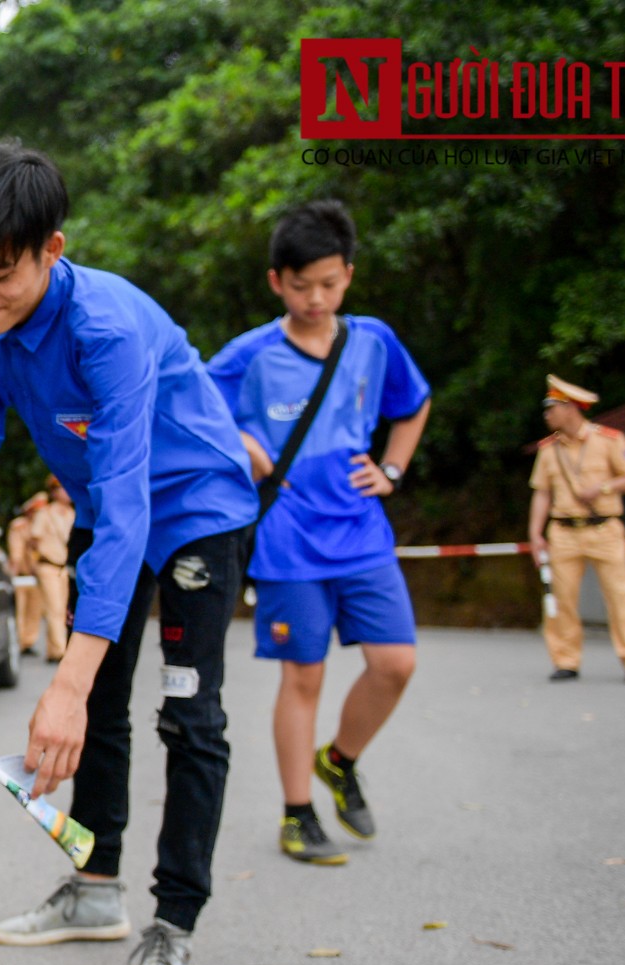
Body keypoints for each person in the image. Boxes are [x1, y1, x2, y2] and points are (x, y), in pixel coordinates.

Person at [0, 143, 259, 965]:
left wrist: (63, 679)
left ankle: (173, 926)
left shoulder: (107, 330)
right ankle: (97, 889)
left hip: (194, 506)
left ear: (52, 249)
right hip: (113, 501)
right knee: (99, 703)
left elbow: (132, 499)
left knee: (189, 712)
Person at [207, 200, 431, 867]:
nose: (315, 298)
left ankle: (340, 760)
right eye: (301, 285)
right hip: (287, 539)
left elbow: (413, 405)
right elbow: (189, 409)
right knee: (303, 676)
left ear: (348, 277)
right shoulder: (248, 355)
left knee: (396, 664)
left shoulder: (373, 340)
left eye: (328, 284)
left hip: (362, 530)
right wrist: (241, 439)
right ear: (277, 280)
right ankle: (297, 812)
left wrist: (391, 468)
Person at [527, 375, 625, 683]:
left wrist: (603, 487)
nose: (546, 415)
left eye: (551, 408)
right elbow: (541, 492)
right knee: (561, 599)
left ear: (569, 408)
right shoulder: (548, 449)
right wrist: (535, 533)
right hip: (564, 532)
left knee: (620, 596)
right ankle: (565, 660)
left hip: (604, 529)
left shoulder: (609, 439)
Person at [27, 476, 75, 662]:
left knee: (64, 608)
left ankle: (53, 649)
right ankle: (61, 650)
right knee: (54, 608)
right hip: (47, 565)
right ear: (54, 491)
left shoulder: (72, 513)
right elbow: (33, 540)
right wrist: (35, 563)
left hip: (64, 567)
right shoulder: (45, 513)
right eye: (63, 488)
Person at [5, 495, 46, 655]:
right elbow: (16, 553)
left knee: (34, 610)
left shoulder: (41, 526)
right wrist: (13, 573)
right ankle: (19, 641)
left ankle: (29, 641)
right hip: (21, 575)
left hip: (36, 575)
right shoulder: (20, 526)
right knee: (20, 610)